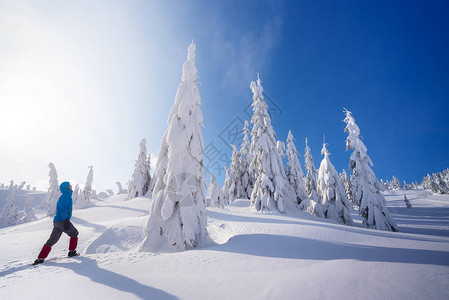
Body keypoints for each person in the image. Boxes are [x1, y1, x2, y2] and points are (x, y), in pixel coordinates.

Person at [33, 181, 79, 265]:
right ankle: (72, 252)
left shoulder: (65, 195)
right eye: (69, 185)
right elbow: (63, 208)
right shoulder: (66, 195)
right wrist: (65, 220)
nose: (71, 186)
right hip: (62, 220)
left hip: (57, 221)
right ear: (66, 187)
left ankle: (40, 258)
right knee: (74, 233)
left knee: (52, 240)